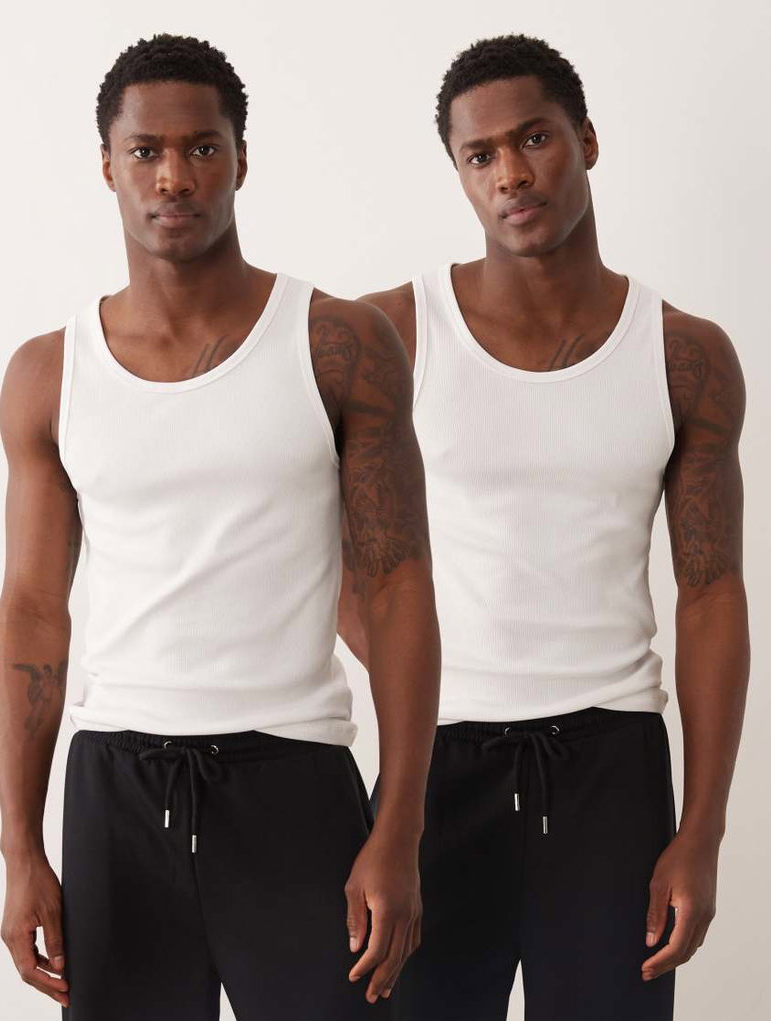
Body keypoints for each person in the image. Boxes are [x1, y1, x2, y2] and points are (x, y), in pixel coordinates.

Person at [0, 33, 440, 1020]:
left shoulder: (337, 343)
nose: (173, 176)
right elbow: (31, 609)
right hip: (117, 789)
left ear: (241, 159)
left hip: (294, 780)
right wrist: (20, 846)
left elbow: (399, 585)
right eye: (145, 151)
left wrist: (400, 823)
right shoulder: (49, 373)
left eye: (201, 147)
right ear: (107, 165)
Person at [340, 34, 749, 1020]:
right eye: (479, 155)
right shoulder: (389, 334)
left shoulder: (683, 355)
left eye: (534, 139)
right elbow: (316, 557)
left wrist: (701, 829)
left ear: (587, 141)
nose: (510, 175)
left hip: (611, 769)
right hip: (437, 762)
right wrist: (425, 683)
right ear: (457, 172)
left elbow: (709, 595)